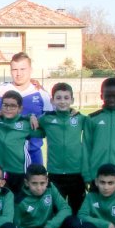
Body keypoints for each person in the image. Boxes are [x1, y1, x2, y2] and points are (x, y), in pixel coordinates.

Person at [0, 53, 51, 165]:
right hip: (7, 157)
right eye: (14, 69)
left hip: (34, 154)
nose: (18, 73)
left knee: (37, 182)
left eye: (22, 69)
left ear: (30, 70)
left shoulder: (42, 94)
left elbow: (53, 119)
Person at [37, 82, 86, 214]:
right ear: (52, 100)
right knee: (56, 211)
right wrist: (29, 117)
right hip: (55, 174)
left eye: (66, 98)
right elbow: (27, 122)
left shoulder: (80, 119)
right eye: (58, 98)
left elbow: (96, 122)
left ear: (72, 100)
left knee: (77, 211)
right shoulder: (46, 119)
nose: (62, 101)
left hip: (76, 174)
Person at [0, 90, 43, 195]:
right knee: (3, 200)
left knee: (20, 202)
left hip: (20, 171)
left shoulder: (25, 124)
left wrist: (31, 116)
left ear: (20, 109)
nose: (8, 108)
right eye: (5, 105)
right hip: (1, 171)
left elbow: (45, 129)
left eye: (12, 106)